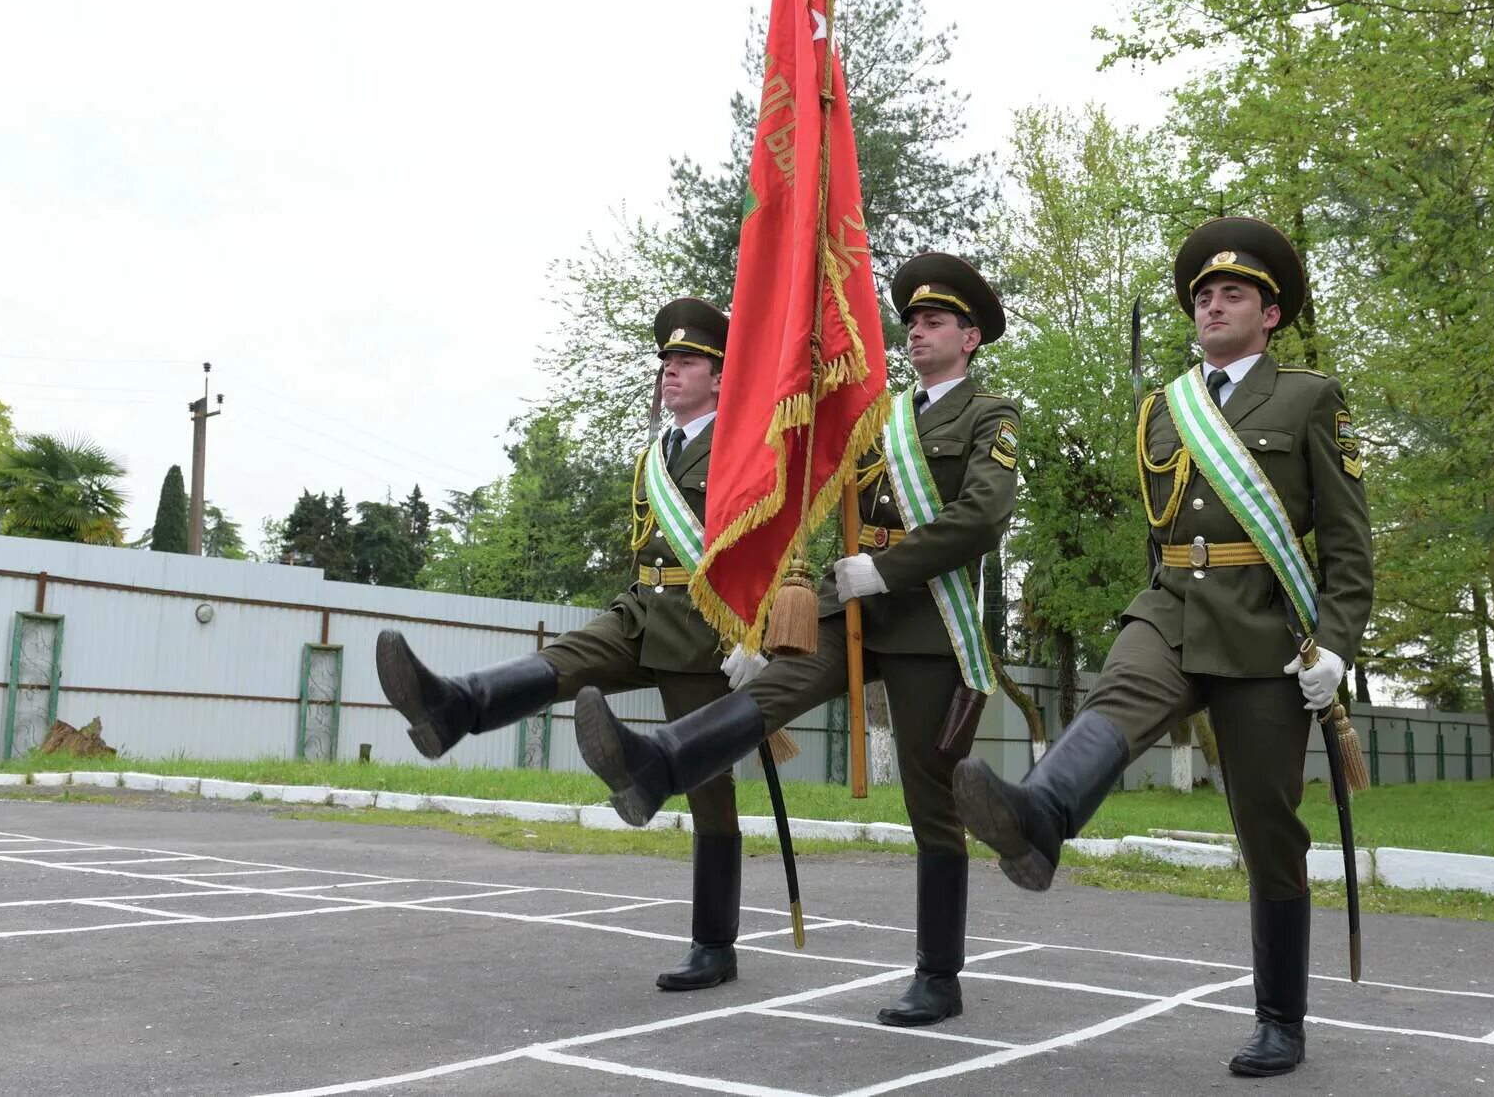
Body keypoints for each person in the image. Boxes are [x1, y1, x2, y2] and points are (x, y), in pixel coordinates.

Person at [952, 217, 1372, 1078]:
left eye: (1234, 294)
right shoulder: (1164, 408)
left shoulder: (1310, 398)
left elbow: (1349, 542)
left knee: (1268, 827)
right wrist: (1153, 601)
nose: (1214, 306)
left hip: (1267, 632)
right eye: (1204, 296)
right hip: (1171, 608)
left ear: (1271, 313)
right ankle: (1039, 816)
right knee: (1117, 697)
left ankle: (1280, 1018)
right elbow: (1164, 530)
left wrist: (1336, 645)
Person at [574, 251, 1021, 1029]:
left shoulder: (991, 417)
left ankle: (938, 975)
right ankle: (659, 760)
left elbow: (982, 515)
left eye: (935, 321)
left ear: (971, 337)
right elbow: (811, 497)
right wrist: (781, 600)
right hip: (849, 605)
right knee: (768, 692)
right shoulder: (879, 416)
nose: (917, 332)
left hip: (928, 623)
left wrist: (886, 571)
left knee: (930, 804)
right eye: (911, 320)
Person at [373, 299, 763, 992]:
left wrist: (760, 630)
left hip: (705, 629)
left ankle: (714, 944)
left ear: (720, 375)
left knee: (710, 792)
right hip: (641, 609)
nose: (671, 373)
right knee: (561, 662)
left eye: (687, 363)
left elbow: (770, 538)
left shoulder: (742, 444)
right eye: (667, 363)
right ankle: (453, 705)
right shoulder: (655, 453)